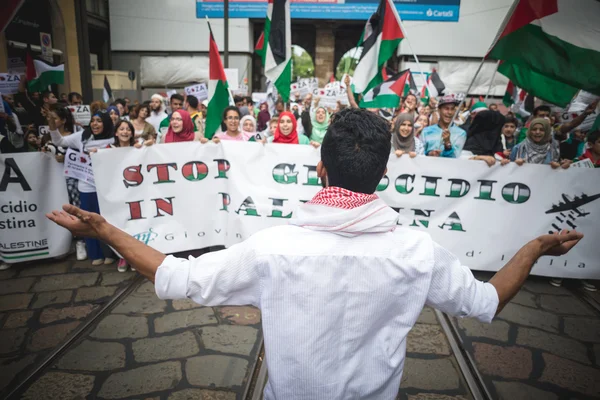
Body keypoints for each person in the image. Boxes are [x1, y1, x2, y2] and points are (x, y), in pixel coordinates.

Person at [46, 107, 584, 400]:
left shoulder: (275, 246)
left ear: (320, 169)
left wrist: (108, 231)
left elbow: (177, 277)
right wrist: (534, 247)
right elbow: (486, 301)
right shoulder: (418, 251)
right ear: (384, 175)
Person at [49, 111, 116, 266]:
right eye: (93, 121)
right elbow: (59, 141)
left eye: (99, 121)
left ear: (106, 123)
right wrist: (52, 124)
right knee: (88, 222)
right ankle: (95, 253)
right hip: (87, 187)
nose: (95, 124)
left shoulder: (114, 139)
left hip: (107, 188)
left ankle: (110, 253)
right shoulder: (81, 137)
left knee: (107, 221)